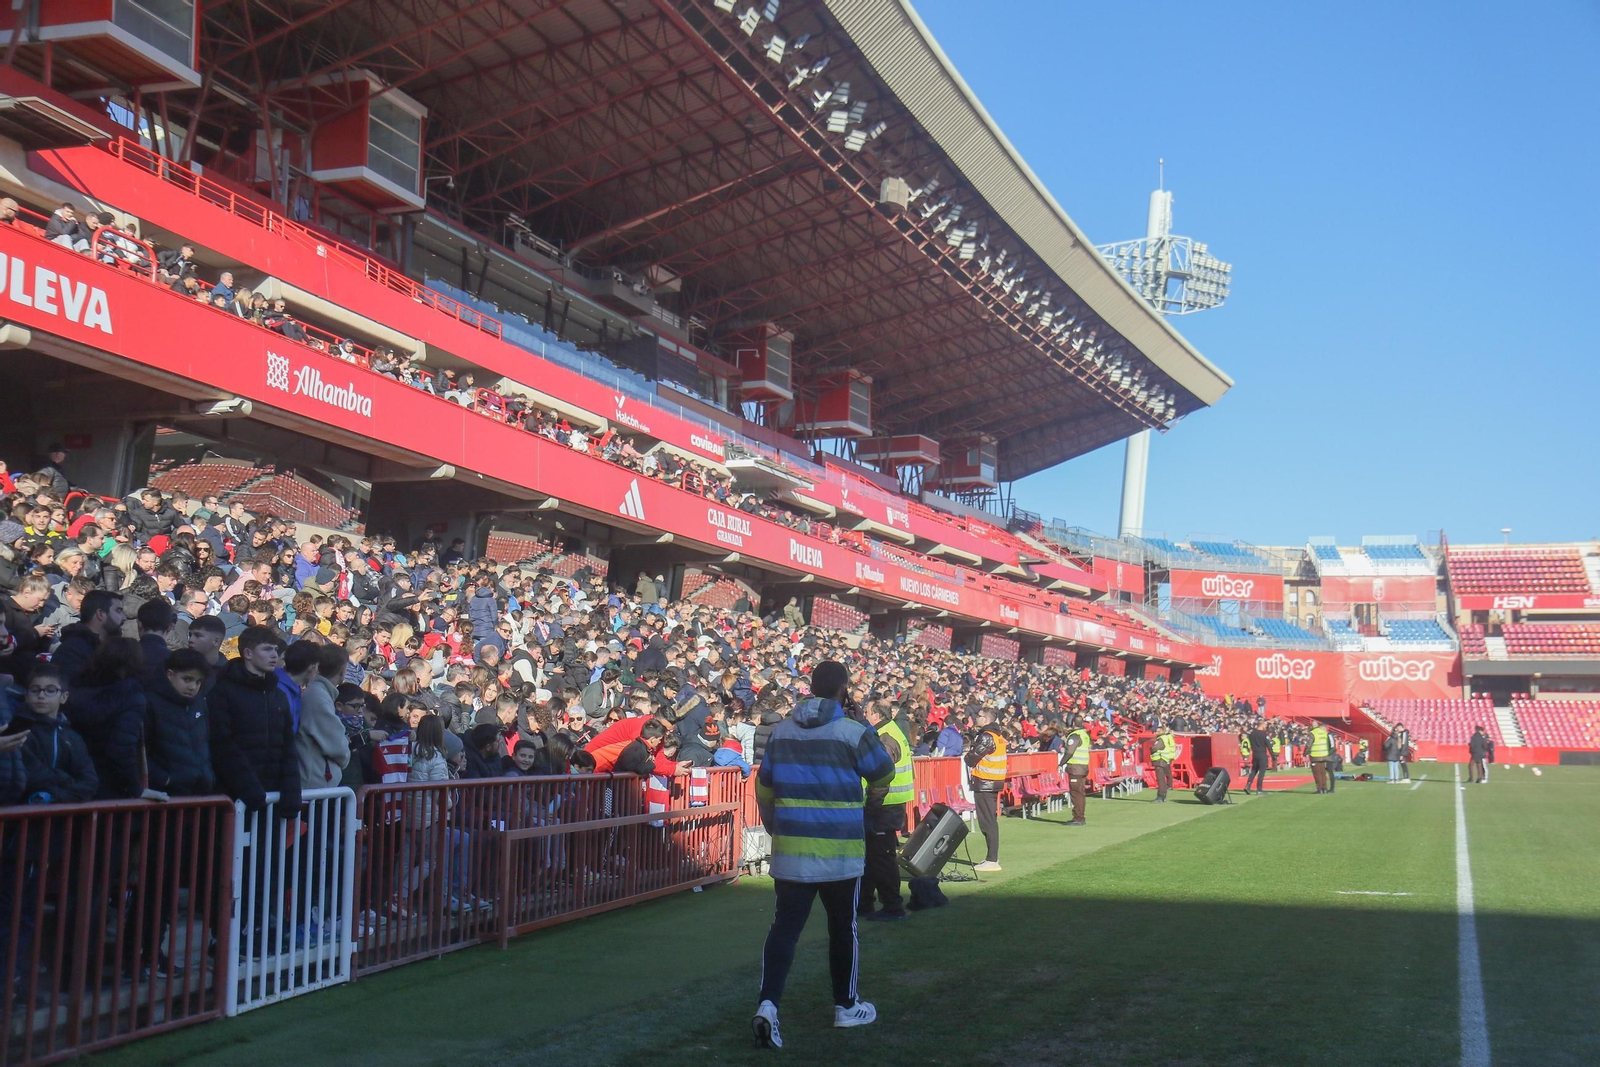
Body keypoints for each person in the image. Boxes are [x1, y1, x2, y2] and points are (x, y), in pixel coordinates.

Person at [752, 660, 894, 1049]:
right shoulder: (852, 731)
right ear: (844, 690)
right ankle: (845, 1006)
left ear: (811, 687)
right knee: (842, 928)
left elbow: (763, 787)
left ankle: (768, 1005)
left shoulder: (781, 731)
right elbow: (884, 772)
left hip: (791, 851)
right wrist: (864, 727)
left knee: (784, 929)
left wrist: (774, 825)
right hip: (840, 853)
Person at [859, 700, 912, 921]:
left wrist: (870, 808)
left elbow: (881, 778)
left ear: (876, 716)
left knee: (882, 858)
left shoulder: (885, 737)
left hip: (883, 806)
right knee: (874, 856)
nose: (863, 715)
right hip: (885, 805)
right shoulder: (888, 732)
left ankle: (892, 906)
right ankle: (866, 903)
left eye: (866, 712)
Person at [964, 707, 1007, 869]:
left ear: (987, 720)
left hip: (985, 783)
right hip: (993, 782)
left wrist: (969, 752)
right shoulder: (998, 736)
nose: (976, 717)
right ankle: (991, 858)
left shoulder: (987, 736)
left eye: (979, 716)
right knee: (990, 820)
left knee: (987, 821)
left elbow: (971, 759)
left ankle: (992, 859)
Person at [1061, 714, 1091, 825]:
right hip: (1083, 767)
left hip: (1075, 768)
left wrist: (1061, 763)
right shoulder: (1084, 734)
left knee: (1076, 794)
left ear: (1073, 723)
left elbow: (1070, 751)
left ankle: (1078, 818)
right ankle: (1080, 817)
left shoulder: (1075, 736)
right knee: (1081, 793)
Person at [1149, 723, 1177, 802]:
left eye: (1158, 731)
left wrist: (1151, 748)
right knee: (1164, 778)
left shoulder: (1161, 739)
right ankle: (1163, 795)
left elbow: (1155, 748)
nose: (1156, 732)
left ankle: (1160, 796)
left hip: (1160, 760)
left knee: (1160, 779)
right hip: (1164, 759)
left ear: (1162, 731)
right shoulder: (1166, 738)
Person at [1308, 722, 1335, 794]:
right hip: (1324, 756)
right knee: (1323, 773)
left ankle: (1322, 789)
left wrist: (1306, 753)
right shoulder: (1325, 734)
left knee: (1319, 773)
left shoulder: (1313, 733)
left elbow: (1309, 744)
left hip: (1318, 756)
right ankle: (1325, 788)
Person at [1246, 720, 1271, 795]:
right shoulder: (1264, 734)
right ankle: (1259, 789)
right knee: (1262, 772)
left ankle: (1248, 785)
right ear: (1262, 725)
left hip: (1255, 753)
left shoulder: (1252, 734)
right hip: (1262, 754)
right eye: (1265, 725)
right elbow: (1268, 745)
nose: (1266, 727)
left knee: (1254, 770)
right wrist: (1273, 755)